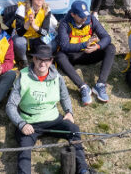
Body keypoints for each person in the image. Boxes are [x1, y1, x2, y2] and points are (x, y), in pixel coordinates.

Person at [7, 44, 91, 174]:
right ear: (33, 59)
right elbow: (10, 106)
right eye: (39, 59)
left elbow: (64, 96)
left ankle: (83, 169)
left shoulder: (57, 77)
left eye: (46, 59)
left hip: (53, 119)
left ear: (51, 61)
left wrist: (69, 112)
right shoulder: (23, 77)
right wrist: (21, 124)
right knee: (24, 149)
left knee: (74, 130)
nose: (42, 63)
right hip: (30, 122)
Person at [55, 0, 115, 106]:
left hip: (90, 53)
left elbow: (106, 37)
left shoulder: (91, 19)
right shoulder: (64, 24)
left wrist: (97, 46)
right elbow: (64, 46)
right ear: (73, 14)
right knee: (59, 56)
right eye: (81, 16)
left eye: (86, 15)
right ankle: (83, 87)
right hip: (73, 56)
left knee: (110, 48)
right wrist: (83, 45)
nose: (85, 18)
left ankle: (100, 85)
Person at [11, 0, 57, 67]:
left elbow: (45, 32)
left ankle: (39, 56)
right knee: (19, 42)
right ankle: (23, 60)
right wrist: (28, 23)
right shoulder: (22, 8)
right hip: (24, 37)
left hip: (37, 37)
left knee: (51, 44)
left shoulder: (47, 9)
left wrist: (35, 26)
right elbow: (19, 32)